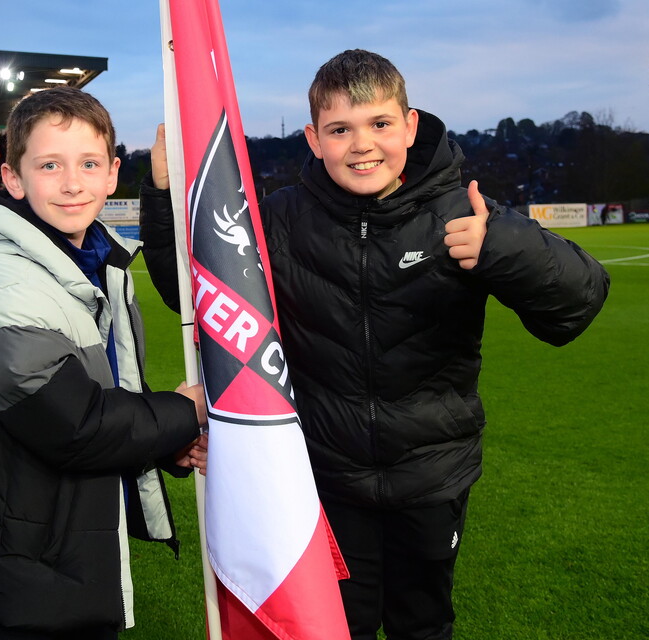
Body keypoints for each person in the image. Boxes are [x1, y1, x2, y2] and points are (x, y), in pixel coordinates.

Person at [139, 50, 610, 640]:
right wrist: (161, 196)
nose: (362, 145)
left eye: (380, 124)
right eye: (340, 129)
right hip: (324, 482)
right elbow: (195, 296)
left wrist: (507, 248)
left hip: (432, 478)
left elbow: (578, 306)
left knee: (424, 625)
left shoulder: (463, 210)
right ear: (314, 139)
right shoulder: (279, 220)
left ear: (410, 126)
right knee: (339, 629)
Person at [0, 86, 209, 640]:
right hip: (29, 553)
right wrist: (184, 414)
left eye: (88, 163)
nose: (72, 182)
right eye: (49, 165)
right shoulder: (7, 279)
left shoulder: (95, 261)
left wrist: (167, 445)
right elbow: (76, 425)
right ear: (13, 179)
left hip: (60, 538)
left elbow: (112, 392)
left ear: (112, 174)